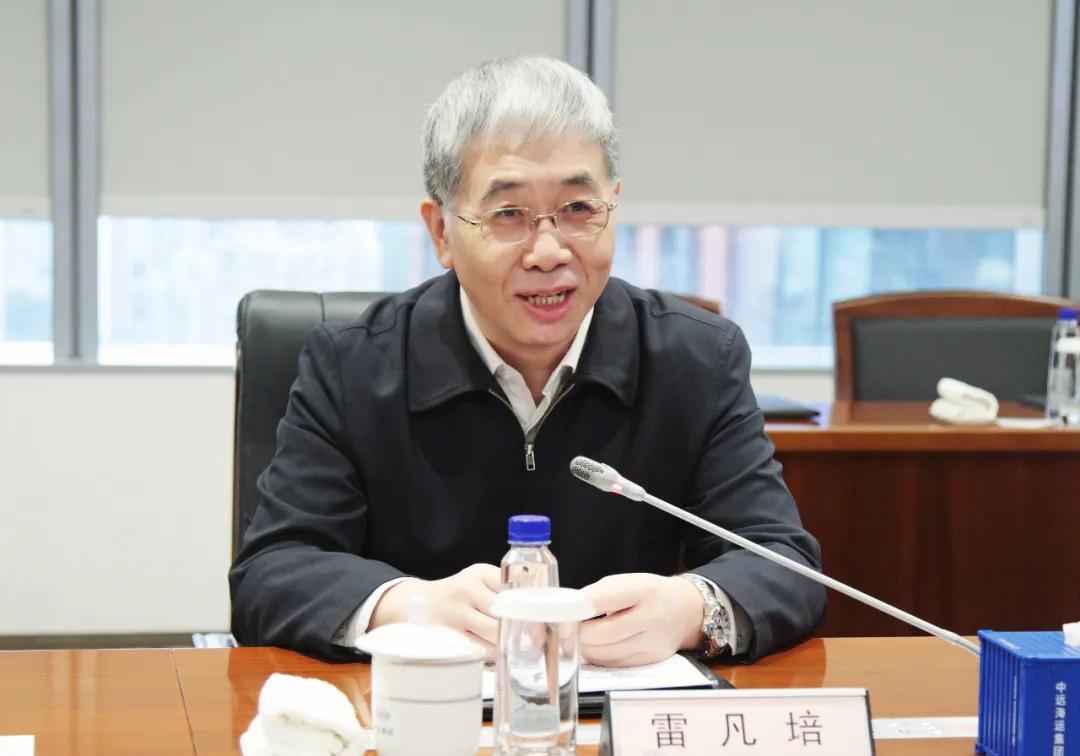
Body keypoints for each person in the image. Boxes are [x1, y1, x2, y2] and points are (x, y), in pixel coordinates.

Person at [229, 55, 825, 665]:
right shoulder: (352, 366)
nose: (548, 252)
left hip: (614, 705)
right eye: (508, 214)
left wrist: (690, 609)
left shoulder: (697, 359)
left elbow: (785, 564)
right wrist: (414, 606)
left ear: (613, 206)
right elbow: (271, 575)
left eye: (579, 209)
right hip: (422, 704)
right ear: (441, 232)